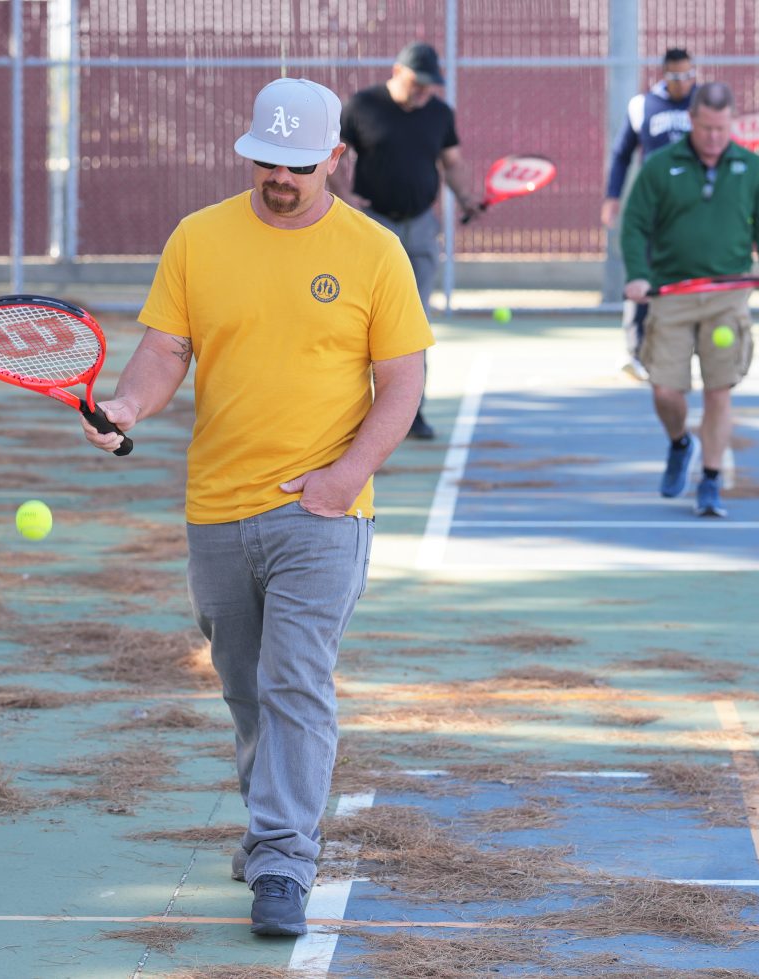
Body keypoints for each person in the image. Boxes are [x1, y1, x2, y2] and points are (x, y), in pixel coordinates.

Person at [80, 77, 434, 936]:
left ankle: (281, 856)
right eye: (266, 162)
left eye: (298, 165)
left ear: (334, 159)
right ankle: (272, 820)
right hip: (217, 507)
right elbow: (167, 348)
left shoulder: (374, 251)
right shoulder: (200, 239)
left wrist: (344, 479)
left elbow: (403, 383)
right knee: (244, 684)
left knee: (294, 680)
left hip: (322, 511)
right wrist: (127, 406)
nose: (279, 178)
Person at [620, 81, 759, 518]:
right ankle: (680, 443)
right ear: (691, 121)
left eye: (722, 128)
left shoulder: (752, 168)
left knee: (719, 393)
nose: (715, 137)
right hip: (671, 296)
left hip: (727, 299)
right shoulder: (660, 166)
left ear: (732, 123)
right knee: (665, 392)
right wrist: (638, 275)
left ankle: (710, 482)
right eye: (707, 127)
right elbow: (634, 224)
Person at [328, 41, 481, 440]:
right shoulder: (363, 106)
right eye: (417, 83)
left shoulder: (439, 113)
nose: (424, 92)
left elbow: (452, 163)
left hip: (420, 228)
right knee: (357, 322)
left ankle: (411, 413)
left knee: (414, 324)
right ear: (397, 72)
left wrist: (467, 198)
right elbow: (334, 157)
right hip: (372, 226)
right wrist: (345, 201)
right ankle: (350, 412)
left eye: (430, 86)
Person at [603, 48, 698, 380]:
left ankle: (691, 348)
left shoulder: (705, 105)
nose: (683, 83)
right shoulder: (643, 105)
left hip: (693, 208)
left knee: (691, 275)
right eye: (676, 77)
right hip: (652, 208)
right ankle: (637, 352)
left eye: (689, 75)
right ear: (663, 75)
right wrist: (612, 197)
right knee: (641, 275)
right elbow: (621, 155)